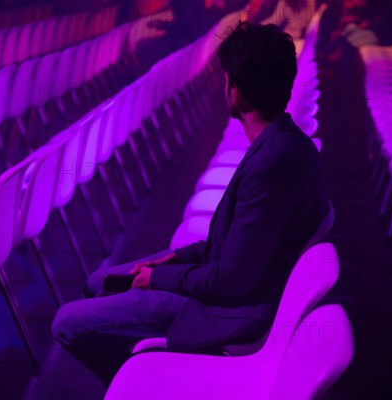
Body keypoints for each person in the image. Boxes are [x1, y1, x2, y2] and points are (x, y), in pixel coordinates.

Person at [52, 21, 330, 385]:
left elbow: (232, 280)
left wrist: (159, 277)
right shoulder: (285, 143)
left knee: (66, 322)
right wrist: (176, 259)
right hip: (232, 286)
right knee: (100, 280)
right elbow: (239, 245)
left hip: (227, 311)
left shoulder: (273, 162)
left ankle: (144, 384)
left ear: (234, 90)